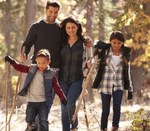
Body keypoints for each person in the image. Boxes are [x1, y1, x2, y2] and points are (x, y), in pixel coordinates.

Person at [5, 49, 67, 131]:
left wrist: (62, 98)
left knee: (43, 120)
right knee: (29, 119)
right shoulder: (32, 69)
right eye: (39, 63)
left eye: (43, 63)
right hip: (31, 100)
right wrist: (12, 61)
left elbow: (56, 87)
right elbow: (20, 68)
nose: (41, 65)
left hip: (43, 101)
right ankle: (32, 128)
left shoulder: (51, 74)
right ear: (36, 61)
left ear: (49, 62)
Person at [91, 31, 133, 131]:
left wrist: (130, 89)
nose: (116, 45)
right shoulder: (105, 52)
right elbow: (96, 66)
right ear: (110, 42)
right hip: (105, 84)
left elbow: (128, 72)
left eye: (119, 43)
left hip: (119, 85)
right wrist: (95, 58)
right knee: (105, 109)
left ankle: (115, 127)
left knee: (117, 107)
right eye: (114, 42)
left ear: (122, 43)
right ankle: (103, 128)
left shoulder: (125, 55)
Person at [59, 16, 93, 131]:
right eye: (68, 28)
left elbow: (90, 58)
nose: (70, 30)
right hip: (62, 79)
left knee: (70, 103)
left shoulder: (85, 43)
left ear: (77, 27)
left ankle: (74, 127)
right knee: (64, 106)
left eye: (73, 27)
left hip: (77, 79)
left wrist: (90, 63)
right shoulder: (61, 42)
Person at [20, 0, 62, 77]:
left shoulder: (61, 27)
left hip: (54, 69)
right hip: (37, 67)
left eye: (56, 12)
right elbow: (27, 44)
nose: (53, 15)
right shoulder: (36, 26)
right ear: (45, 10)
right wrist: (24, 53)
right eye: (50, 11)